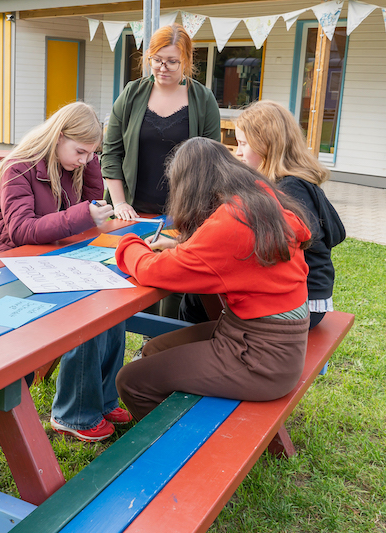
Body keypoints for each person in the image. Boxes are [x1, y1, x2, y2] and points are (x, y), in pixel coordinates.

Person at [114, 137, 312, 420]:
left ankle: (175, 450)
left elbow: (151, 271)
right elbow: (226, 256)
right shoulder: (259, 200)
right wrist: (181, 248)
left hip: (259, 358)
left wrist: (128, 243)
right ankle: (174, 420)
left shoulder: (232, 221)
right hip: (266, 343)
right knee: (155, 349)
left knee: (131, 381)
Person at [0, 102, 130, 442]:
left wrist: (91, 163)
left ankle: (103, 398)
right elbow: (22, 229)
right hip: (13, 267)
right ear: (58, 136)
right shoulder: (17, 168)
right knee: (85, 313)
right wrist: (82, 214)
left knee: (113, 304)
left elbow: (92, 205)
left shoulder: (73, 165)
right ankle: (73, 413)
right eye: (80, 151)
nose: (83, 160)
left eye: (90, 154)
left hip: (54, 261)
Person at [101, 23, 221, 321]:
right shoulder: (132, 94)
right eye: (156, 59)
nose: (162, 68)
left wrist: (193, 212)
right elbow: (111, 152)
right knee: (129, 281)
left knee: (175, 283)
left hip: (183, 211)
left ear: (187, 61)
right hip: (133, 210)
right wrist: (120, 204)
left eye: (171, 61)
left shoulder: (203, 100)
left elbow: (211, 161)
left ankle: (159, 345)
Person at [234, 100, 345, 329]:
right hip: (300, 298)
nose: (238, 152)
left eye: (244, 143)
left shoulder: (290, 188)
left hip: (303, 304)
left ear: (267, 145)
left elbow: (286, 243)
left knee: (207, 300)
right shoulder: (290, 182)